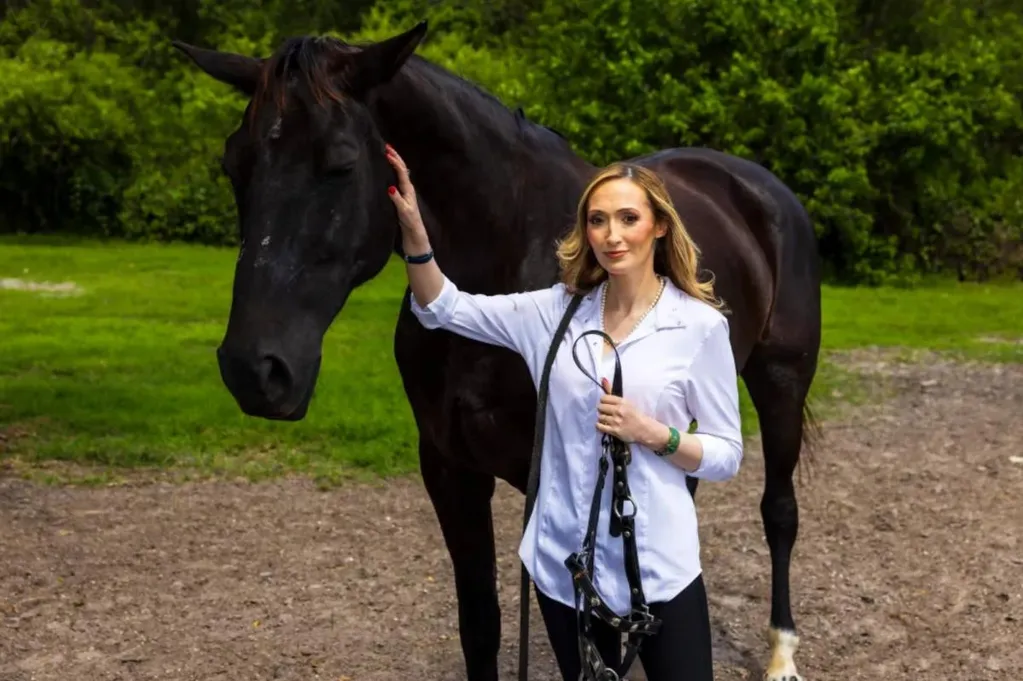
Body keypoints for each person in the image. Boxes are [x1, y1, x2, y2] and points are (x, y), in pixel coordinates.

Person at [384, 143, 742, 681]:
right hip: (564, 566)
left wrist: (656, 434)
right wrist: (415, 232)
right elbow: (444, 307)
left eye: (628, 218)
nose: (612, 235)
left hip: (659, 565)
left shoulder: (699, 327)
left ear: (660, 227)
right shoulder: (555, 310)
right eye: (598, 220)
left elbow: (726, 454)